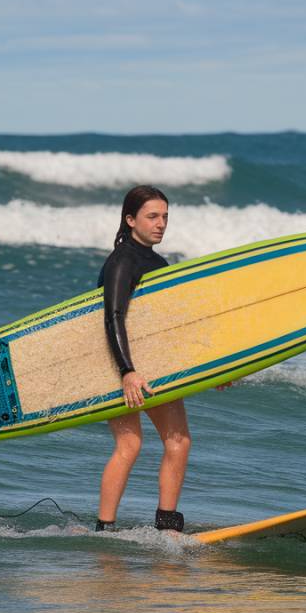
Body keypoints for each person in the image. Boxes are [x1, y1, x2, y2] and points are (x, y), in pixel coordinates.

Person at [95, 185, 189, 533]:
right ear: (130, 219)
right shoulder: (122, 261)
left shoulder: (157, 262)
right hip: (121, 364)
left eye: (165, 216)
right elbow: (113, 317)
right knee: (130, 443)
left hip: (149, 363)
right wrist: (127, 371)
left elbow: (164, 327)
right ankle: (105, 528)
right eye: (152, 216)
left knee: (178, 441)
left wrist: (215, 369)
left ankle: (167, 527)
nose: (161, 223)